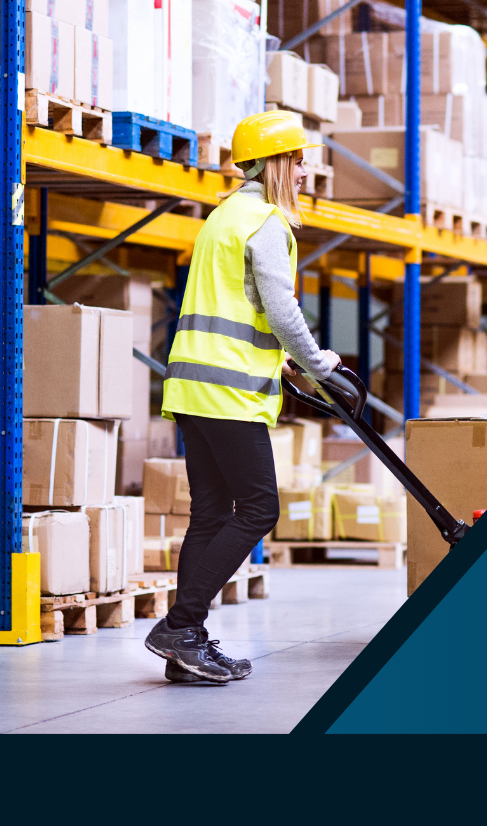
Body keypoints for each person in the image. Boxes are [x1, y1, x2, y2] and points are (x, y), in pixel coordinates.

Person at [145, 110, 341, 684]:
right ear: (278, 163)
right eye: (299, 160)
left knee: (208, 514)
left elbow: (241, 305)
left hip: (191, 384)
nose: (305, 170)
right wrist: (319, 362)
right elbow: (281, 310)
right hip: (229, 391)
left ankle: (189, 647)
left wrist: (281, 358)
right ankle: (181, 626)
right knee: (260, 508)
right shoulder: (267, 222)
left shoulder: (224, 216)